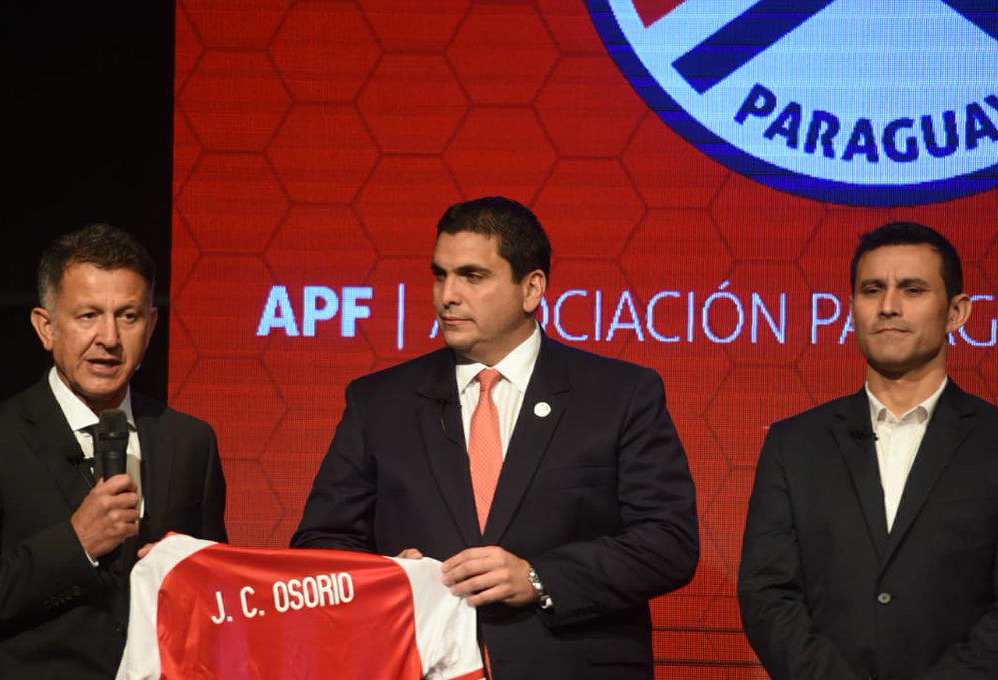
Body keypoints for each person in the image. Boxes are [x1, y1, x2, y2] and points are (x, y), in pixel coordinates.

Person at [291, 196, 699, 679]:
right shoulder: (379, 402)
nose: (448, 295)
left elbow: (667, 542)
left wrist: (538, 577)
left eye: (472, 276)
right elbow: (320, 541)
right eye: (440, 275)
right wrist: (386, 577)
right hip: (416, 664)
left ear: (531, 289)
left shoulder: (620, 395)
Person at [738, 222, 998, 679]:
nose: (888, 306)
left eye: (912, 290)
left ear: (956, 312)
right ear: (853, 306)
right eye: (872, 290)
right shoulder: (793, 444)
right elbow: (768, 595)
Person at [0, 224, 228, 679]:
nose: (110, 338)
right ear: (46, 327)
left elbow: (216, 601)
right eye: (87, 316)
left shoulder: (190, 440)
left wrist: (185, 579)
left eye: (128, 316)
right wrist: (74, 546)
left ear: (152, 326)